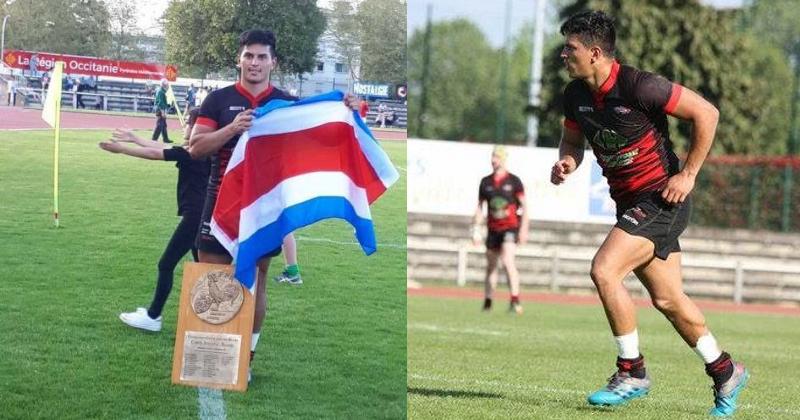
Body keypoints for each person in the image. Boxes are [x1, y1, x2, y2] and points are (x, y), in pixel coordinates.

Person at [550, 11, 747, 416]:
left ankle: (632, 370)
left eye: (570, 47)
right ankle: (726, 370)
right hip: (631, 204)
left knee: (604, 270)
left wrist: (688, 174)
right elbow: (571, 142)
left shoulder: (640, 85)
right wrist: (567, 162)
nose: (563, 54)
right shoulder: (575, 95)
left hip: (662, 199)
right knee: (669, 299)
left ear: (596, 52)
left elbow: (707, 114)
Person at [187, 29, 360, 381]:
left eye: (261, 56)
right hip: (220, 201)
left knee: (258, 280)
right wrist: (232, 128)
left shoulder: (287, 104)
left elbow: (324, 140)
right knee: (212, 279)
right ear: (239, 59)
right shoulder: (218, 101)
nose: (254, 62)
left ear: (272, 62)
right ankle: (210, 359)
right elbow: (196, 147)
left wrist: (348, 111)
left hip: (264, 207)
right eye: (249, 55)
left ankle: (245, 361)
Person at [99, 109, 209, 332]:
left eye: (190, 123)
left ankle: (153, 316)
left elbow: (157, 154)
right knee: (205, 269)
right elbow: (165, 148)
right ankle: (213, 318)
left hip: (195, 218)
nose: (186, 128)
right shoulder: (203, 151)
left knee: (166, 264)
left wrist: (123, 149)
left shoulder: (195, 153)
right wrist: (134, 138)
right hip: (202, 216)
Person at [472, 146, 528, 315]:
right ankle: (488, 301)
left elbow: (525, 207)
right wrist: (475, 229)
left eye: (496, 157)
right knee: (491, 266)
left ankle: (515, 300)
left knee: (507, 261)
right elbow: (480, 208)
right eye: (492, 156)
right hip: (492, 229)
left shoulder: (514, 181)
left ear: (503, 159)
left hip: (510, 228)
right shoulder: (486, 182)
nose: (493, 160)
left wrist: (524, 229)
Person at [152, 79, 172, 143]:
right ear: (164, 85)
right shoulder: (161, 91)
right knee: (160, 124)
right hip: (160, 109)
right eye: (167, 84)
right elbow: (160, 103)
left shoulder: (161, 91)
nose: (168, 86)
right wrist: (163, 112)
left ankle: (165, 139)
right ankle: (154, 139)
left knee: (163, 125)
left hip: (160, 108)